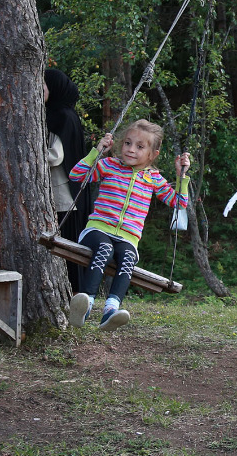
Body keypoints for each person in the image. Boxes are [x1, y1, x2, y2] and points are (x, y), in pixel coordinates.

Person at [66, 120, 190, 331]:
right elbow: (76, 176)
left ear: (153, 155)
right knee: (105, 249)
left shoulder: (154, 179)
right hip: (98, 230)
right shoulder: (109, 165)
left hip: (128, 237)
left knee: (128, 258)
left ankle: (110, 311)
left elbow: (179, 202)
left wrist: (181, 176)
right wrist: (97, 152)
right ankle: (85, 305)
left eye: (140, 147)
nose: (131, 150)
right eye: (128, 143)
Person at [43, 68, 92, 291]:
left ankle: (75, 293)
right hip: (71, 195)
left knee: (67, 249)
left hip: (64, 196)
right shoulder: (68, 114)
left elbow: (55, 156)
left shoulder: (59, 116)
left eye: (42, 87)